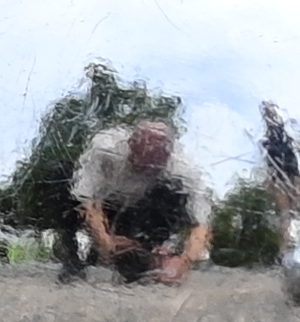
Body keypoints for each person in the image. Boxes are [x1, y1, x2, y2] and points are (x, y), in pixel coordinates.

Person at [74, 114, 210, 284]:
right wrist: (105, 241)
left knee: (172, 190)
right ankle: (74, 254)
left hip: (149, 208)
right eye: (141, 159)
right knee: (63, 178)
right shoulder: (105, 149)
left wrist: (183, 262)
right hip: (108, 203)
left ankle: (155, 254)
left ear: (168, 154)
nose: (146, 168)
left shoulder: (184, 169)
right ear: (130, 144)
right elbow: (87, 198)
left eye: (155, 162)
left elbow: (201, 223)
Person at [259, 101, 300, 241]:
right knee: (285, 214)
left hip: (292, 173)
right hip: (279, 177)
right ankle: (284, 247)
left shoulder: (287, 135)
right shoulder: (266, 140)